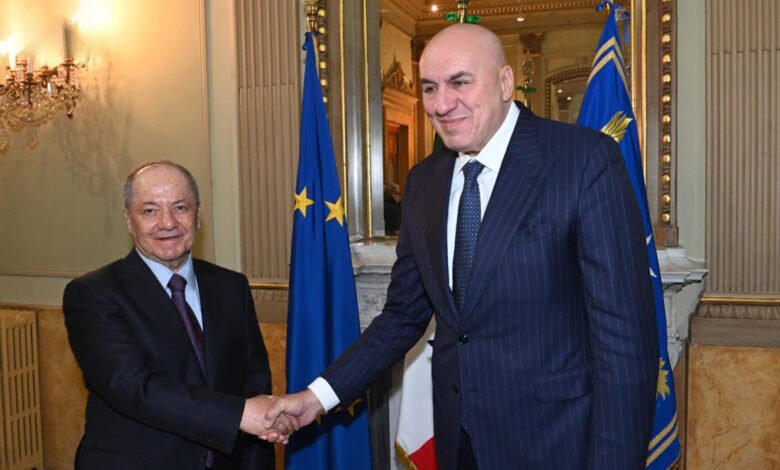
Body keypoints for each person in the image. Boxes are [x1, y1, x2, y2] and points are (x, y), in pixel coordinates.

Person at [267, 23, 659, 469]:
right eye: (430, 88)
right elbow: (402, 316)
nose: (441, 104)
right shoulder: (424, 181)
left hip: (556, 444)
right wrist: (314, 398)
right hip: (457, 443)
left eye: (459, 82)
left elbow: (624, 341)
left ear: (506, 83)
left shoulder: (582, 159)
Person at [63, 161, 294, 470]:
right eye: (150, 211)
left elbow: (253, 384)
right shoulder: (93, 294)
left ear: (197, 216)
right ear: (129, 219)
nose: (167, 222)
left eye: (180, 207)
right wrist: (239, 415)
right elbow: (133, 387)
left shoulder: (231, 286)